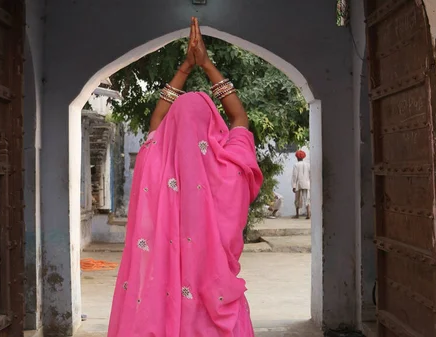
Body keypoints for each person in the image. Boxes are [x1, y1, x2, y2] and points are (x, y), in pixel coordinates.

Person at [107, 18, 263, 337]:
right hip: (213, 294)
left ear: (171, 129)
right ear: (212, 126)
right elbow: (239, 117)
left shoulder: (155, 161)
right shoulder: (230, 166)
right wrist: (205, 64)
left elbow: (156, 122)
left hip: (161, 301)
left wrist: (184, 69)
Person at [292, 150, 311, 219]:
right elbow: (310, 175)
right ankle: (308, 213)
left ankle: (297, 214)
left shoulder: (296, 165)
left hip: (298, 183)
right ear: (303, 157)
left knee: (297, 198)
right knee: (306, 198)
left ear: (297, 157)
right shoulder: (308, 164)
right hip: (306, 183)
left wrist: (293, 186)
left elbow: (295, 176)